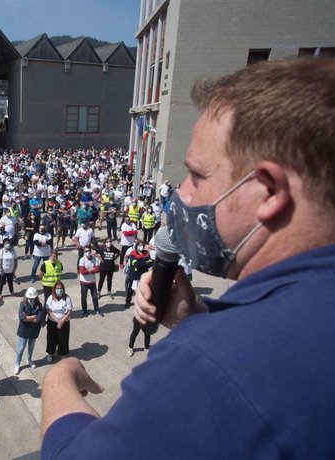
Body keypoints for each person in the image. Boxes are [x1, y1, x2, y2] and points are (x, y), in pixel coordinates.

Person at [40, 58, 335, 458]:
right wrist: (196, 318)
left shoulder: (210, 363)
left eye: (197, 175)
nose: (182, 193)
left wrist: (60, 378)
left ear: (268, 191)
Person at [15, 287, 43, 375]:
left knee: (31, 346)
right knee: (21, 348)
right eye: (29, 298)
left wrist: (27, 318)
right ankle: (17, 364)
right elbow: (21, 317)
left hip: (34, 330)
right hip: (24, 329)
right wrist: (32, 317)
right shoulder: (22, 304)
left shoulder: (39, 305)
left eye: (32, 298)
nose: (31, 299)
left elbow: (38, 318)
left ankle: (29, 359)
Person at [44, 281, 71, 362]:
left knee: (63, 339)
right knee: (51, 338)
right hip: (52, 322)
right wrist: (57, 321)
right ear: (54, 289)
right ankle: (50, 353)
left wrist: (62, 321)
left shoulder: (67, 298)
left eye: (61, 289)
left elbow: (69, 311)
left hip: (64, 323)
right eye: (58, 289)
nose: (59, 290)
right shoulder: (50, 298)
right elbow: (49, 311)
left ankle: (63, 354)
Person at [123, 240, 153, 310]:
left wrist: (141, 264)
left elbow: (150, 262)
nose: (141, 247)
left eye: (142, 245)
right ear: (136, 246)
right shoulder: (133, 254)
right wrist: (145, 263)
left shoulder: (146, 253)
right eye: (140, 245)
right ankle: (127, 302)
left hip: (143, 274)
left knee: (142, 289)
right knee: (130, 289)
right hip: (134, 275)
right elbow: (135, 263)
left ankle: (141, 302)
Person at [77, 246, 102, 317]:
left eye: (88, 251)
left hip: (92, 282)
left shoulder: (95, 259)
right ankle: (84, 311)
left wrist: (87, 270)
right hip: (84, 282)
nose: (87, 252)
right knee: (84, 297)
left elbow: (97, 269)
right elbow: (82, 272)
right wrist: (91, 270)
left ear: (91, 251)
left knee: (95, 296)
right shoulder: (82, 260)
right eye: (85, 251)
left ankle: (96, 309)